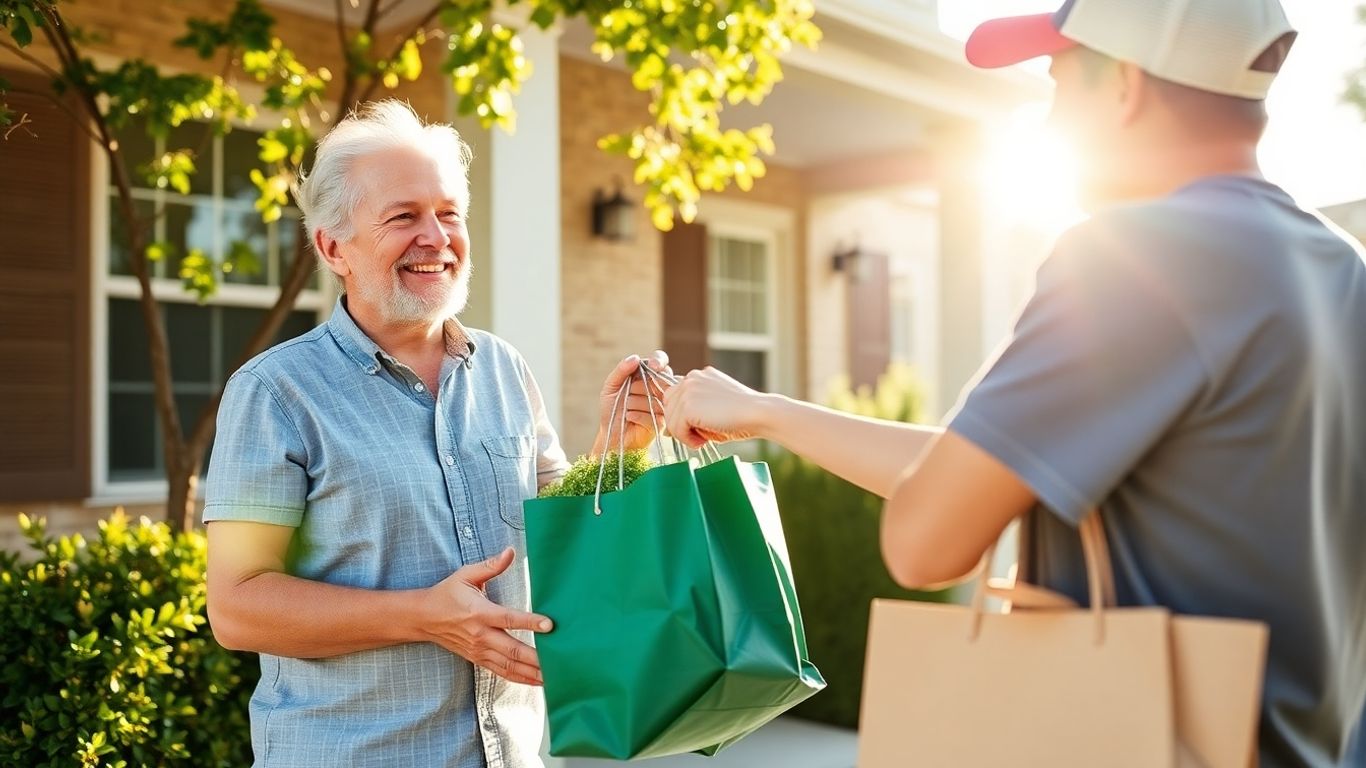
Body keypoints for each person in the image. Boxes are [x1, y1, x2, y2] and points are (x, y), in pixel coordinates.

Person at [662, 1, 1366, 765]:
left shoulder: (1138, 255)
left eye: (1060, 86)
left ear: (1125, 86)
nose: (1046, 123)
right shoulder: (1338, 268)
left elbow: (930, 544)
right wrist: (770, 413)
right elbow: (992, 471)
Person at [204, 100, 666, 768]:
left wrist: (621, 448)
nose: (436, 237)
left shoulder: (504, 368)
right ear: (334, 247)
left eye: (449, 213)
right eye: (403, 216)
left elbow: (563, 532)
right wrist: (423, 614)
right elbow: (238, 607)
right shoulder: (275, 393)